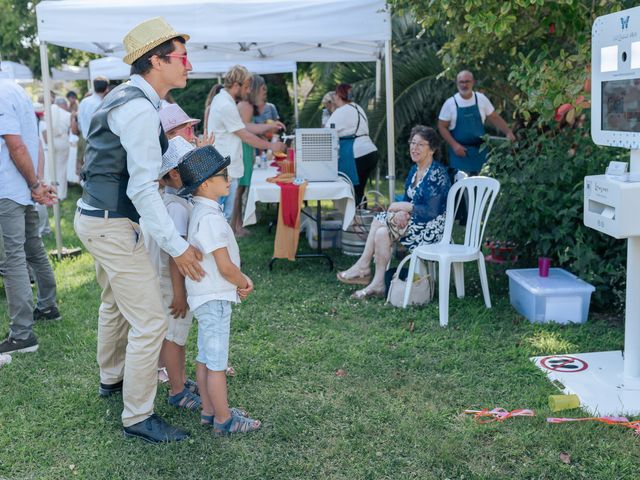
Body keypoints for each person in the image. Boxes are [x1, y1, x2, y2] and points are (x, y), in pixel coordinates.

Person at [73, 17, 205, 444]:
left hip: (97, 218)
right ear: (156, 60)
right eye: (182, 58)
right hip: (111, 224)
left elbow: (142, 173)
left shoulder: (127, 99)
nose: (189, 65)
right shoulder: (137, 107)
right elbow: (144, 190)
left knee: (113, 303)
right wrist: (178, 245)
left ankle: (111, 378)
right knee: (150, 320)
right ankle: (137, 415)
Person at [177, 145, 261, 436]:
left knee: (205, 357)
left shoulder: (202, 211)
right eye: (223, 174)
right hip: (214, 297)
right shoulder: (210, 218)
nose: (228, 178)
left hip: (205, 296)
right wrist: (243, 282)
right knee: (217, 364)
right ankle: (224, 420)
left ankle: (208, 410)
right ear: (205, 184)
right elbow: (224, 267)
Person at [337, 126, 451, 299]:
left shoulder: (437, 174)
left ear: (432, 149)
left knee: (380, 218)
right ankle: (378, 283)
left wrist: (406, 208)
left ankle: (363, 264)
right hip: (415, 222)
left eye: (420, 144)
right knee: (382, 232)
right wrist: (400, 212)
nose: (414, 148)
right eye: (412, 143)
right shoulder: (415, 171)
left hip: (433, 229)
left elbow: (432, 211)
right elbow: (406, 199)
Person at [0, 77, 60, 355]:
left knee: (13, 259)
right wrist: (37, 182)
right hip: (21, 186)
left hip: (9, 189)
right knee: (33, 247)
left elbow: (18, 147)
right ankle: (47, 305)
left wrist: (36, 185)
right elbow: (33, 142)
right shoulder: (16, 90)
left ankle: (22, 334)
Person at [141, 136, 200, 411]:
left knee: (177, 335)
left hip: (165, 280)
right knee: (175, 337)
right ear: (174, 173)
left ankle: (181, 379)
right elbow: (176, 256)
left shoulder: (169, 199)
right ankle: (177, 390)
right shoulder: (177, 207)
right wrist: (180, 293)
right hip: (171, 282)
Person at [206, 65, 285, 225]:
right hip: (224, 168)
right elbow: (245, 135)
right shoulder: (226, 105)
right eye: (247, 87)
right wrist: (271, 146)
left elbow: (242, 128)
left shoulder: (223, 100)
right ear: (237, 85)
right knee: (222, 219)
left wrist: (268, 128)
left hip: (225, 166)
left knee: (222, 218)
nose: (249, 91)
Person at [437, 70, 515, 176]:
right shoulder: (450, 104)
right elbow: (441, 126)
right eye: (461, 82)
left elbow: (494, 117)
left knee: (483, 187)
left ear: (473, 82)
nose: (464, 85)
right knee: (462, 189)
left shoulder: (481, 99)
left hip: (481, 152)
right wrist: (455, 145)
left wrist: (508, 132)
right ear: (457, 83)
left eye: (467, 81)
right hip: (460, 154)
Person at [233, 74, 279, 236]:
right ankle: (236, 226)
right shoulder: (246, 105)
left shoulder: (246, 105)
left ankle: (237, 225)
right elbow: (244, 128)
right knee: (239, 189)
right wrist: (267, 129)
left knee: (240, 189)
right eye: (263, 90)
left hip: (245, 147)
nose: (265, 93)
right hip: (244, 147)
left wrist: (266, 129)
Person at [329, 83, 378, 206]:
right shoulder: (358, 108)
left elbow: (327, 133)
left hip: (358, 153)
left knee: (353, 190)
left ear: (338, 96)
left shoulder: (341, 111)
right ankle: (361, 219)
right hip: (371, 152)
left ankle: (355, 220)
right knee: (359, 190)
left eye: (334, 94)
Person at [41, 96, 78, 201]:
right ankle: (60, 194)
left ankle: (49, 191)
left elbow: (44, 129)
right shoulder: (68, 114)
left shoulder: (48, 112)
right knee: (61, 168)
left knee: (50, 167)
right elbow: (73, 129)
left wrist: (47, 143)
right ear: (64, 105)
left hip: (51, 140)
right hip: (63, 140)